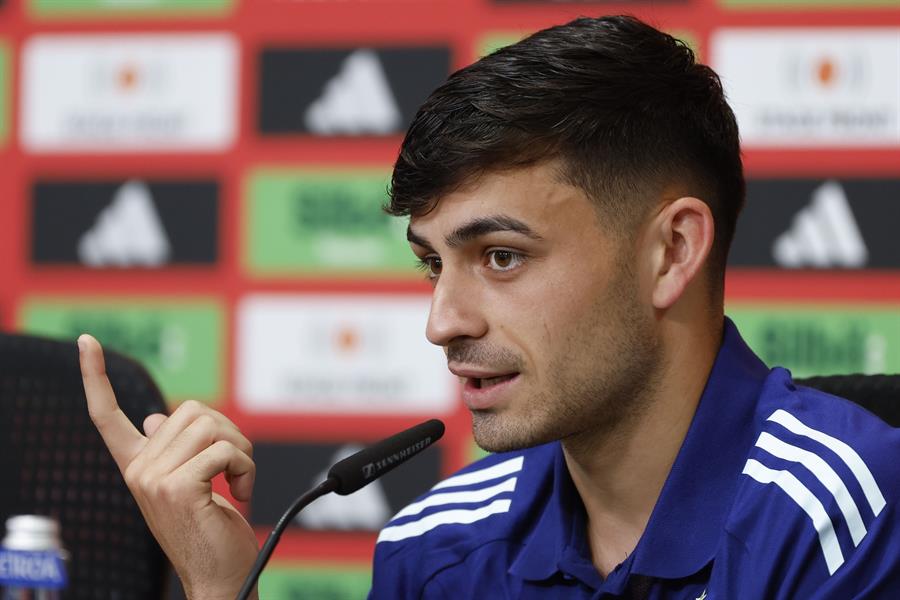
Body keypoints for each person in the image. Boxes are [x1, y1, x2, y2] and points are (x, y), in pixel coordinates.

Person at [78, 14, 900, 599]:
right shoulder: (434, 546)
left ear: (673, 252)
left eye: (500, 257)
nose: (442, 323)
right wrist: (224, 590)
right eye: (433, 264)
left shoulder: (849, 518)